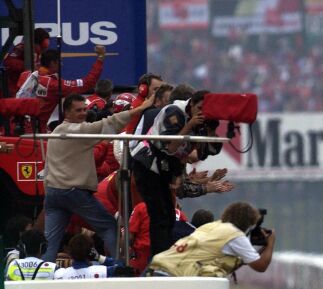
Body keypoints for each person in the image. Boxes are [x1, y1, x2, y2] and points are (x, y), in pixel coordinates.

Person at [41, 91, 155, 262]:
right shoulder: (78, 131)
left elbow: (47, 167)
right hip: (73, 192)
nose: (83, 113)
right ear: (67, 113)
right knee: (110, 227)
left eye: (84, 109)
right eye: (78, 110)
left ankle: (42, 275)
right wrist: (141, 108)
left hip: (53, 193)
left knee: (50, 242)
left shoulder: (56, 131)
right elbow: (110, 124)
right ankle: (118, 267)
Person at [131, 90, 207, 258]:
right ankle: (159, 258)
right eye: (200, 108)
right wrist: (190, 125)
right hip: (147, 164)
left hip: (165, 168)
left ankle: (163, 256)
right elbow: (171, 147)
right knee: (160, 215)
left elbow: (196, 152)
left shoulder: (202, 122)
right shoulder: (174, 112)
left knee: (169, 215)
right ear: (191, 104)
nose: (202, 112)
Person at [146, 201, 275, 277]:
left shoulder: (211, 226)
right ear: (247, 223)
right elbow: (260, 266)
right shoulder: (234, 234)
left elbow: (237, 261)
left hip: (156, 268)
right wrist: (270, 243)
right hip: (173, 276)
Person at [16, 45, 105, 130]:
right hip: (34, 131)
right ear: (52, 63)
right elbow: (87, 83)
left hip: (14, 124)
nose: (61, 64)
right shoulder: (54, 85)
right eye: (60, 61)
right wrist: (100, 58)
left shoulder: (25, 75)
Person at [2, 27, 49, 96]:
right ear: (35, 43)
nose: (43, 50)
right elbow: (8, 62)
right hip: (14, 88)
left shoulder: (38, 52)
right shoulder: (21, 48)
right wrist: (26, 65)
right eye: (42, 47)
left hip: (28, 87)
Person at [54, 232, 124, 279]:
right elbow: (122, 266)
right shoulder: (104, 271)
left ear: (70, 252)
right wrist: (99, 258)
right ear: (92, 252)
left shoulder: (60, 274)